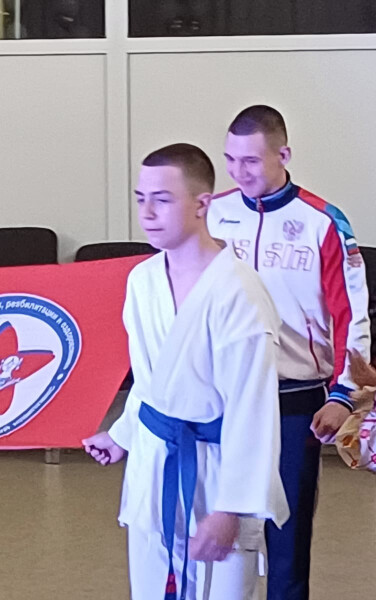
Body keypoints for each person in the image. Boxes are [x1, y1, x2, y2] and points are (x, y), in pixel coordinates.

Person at [84, 143, 288, 599]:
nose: (147, 213)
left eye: (162, 199)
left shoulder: (239, 292)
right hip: (155, 459)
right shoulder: (143, 280)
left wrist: (231, 507)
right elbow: (150, 379)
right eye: (141, 199)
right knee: (152, 589)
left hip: (218, 470)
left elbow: (253, 410)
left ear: (202, 204)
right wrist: (122, 435)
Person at [208, 105, 371, 600]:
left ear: (283, 155)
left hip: (296, 400)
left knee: (288, 534)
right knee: (220, 528)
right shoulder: (213, 213)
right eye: (230, 159)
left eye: (251, 161)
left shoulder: (322, 222)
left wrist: (343, 395)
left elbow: (351, 316)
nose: (239, 172)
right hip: (224, 398)